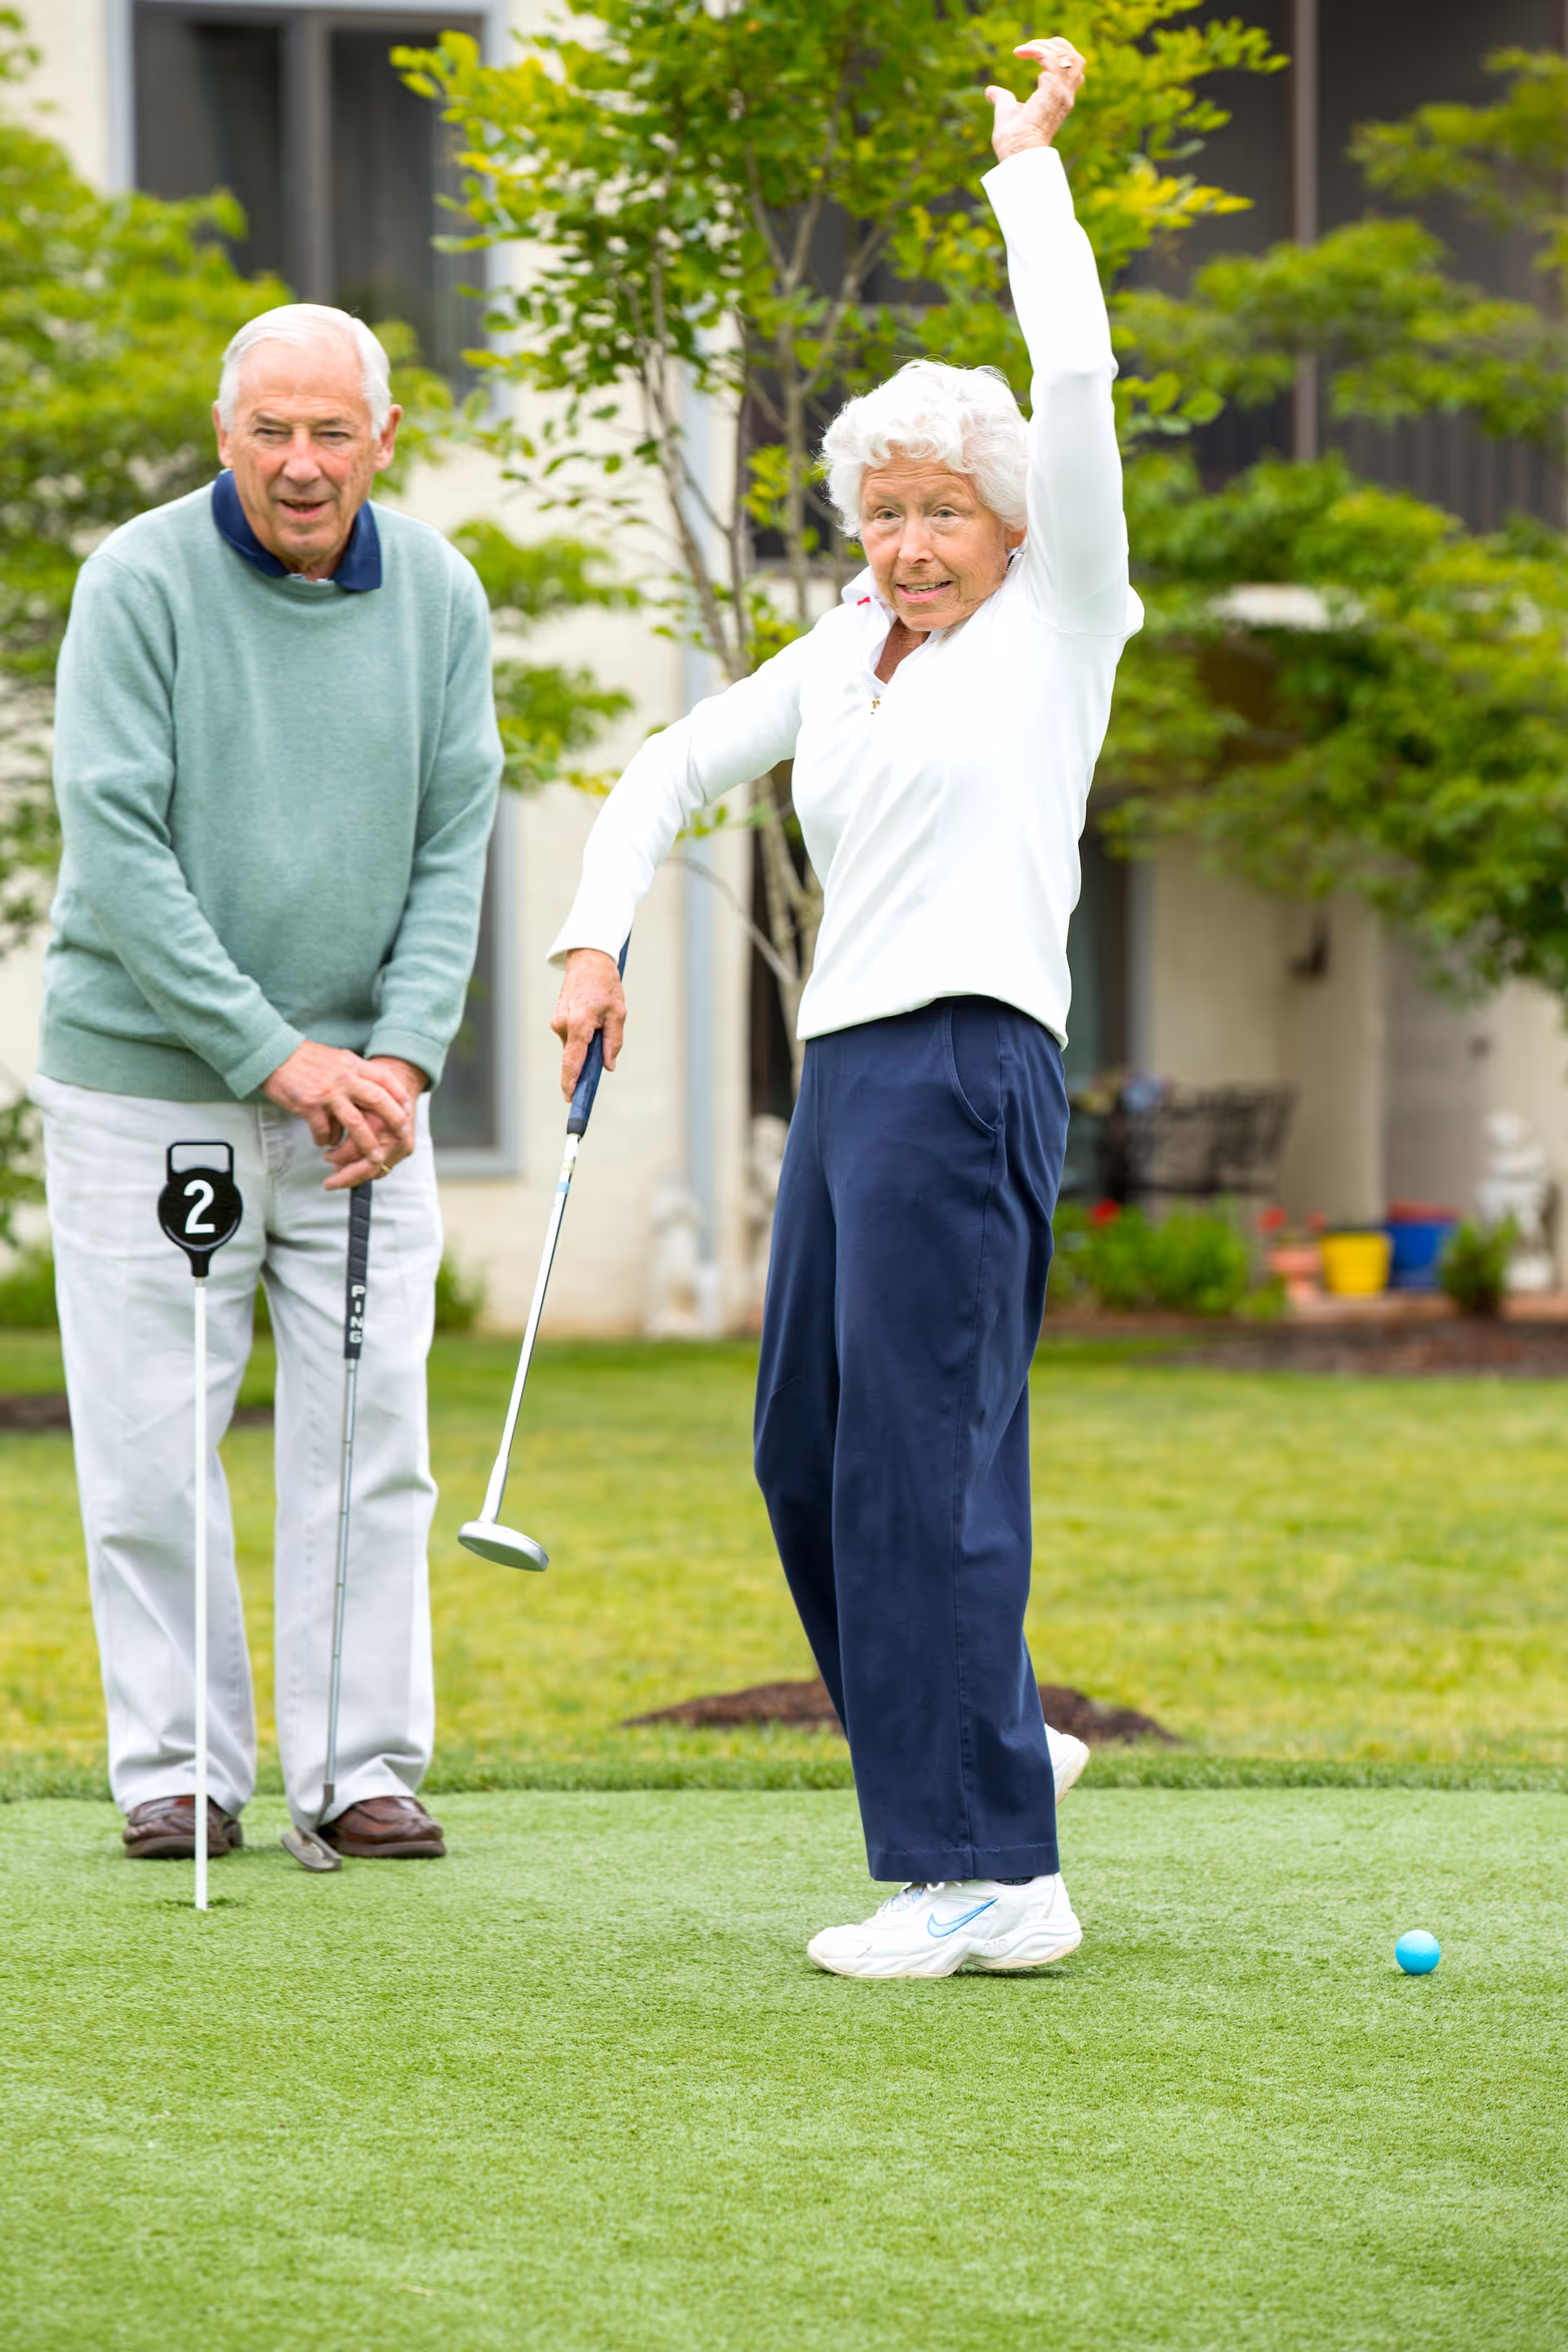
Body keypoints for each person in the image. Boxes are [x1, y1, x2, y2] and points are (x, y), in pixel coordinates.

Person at [550, 34, 1138, 1976]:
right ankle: (999, 1746)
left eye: (942, 509)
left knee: (920, 1456)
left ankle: (989, 1877)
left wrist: (1028, 179)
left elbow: (1069, 379)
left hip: (972, 1064)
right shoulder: (844, 650)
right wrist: (591, 941)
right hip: (851, 1083)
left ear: (1011, 517)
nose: (907, 539)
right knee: (807, 1455)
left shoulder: (1067, 616)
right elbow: (654, 775)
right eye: (881, 509)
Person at [34, 304, 501, 1864]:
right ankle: (178, 1768)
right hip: (155, 1086)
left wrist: (404, 1054)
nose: (301, 465)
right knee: (156, 1445)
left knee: (375, 1439)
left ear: (381, 438)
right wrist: (273, 1055)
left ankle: (359, 1766)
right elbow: (118, 847)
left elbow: (455, 844)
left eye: (330, 432)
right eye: (269, 432)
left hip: (366, 1107)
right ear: (224, 435)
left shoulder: (437, 591)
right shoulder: (138, 583)